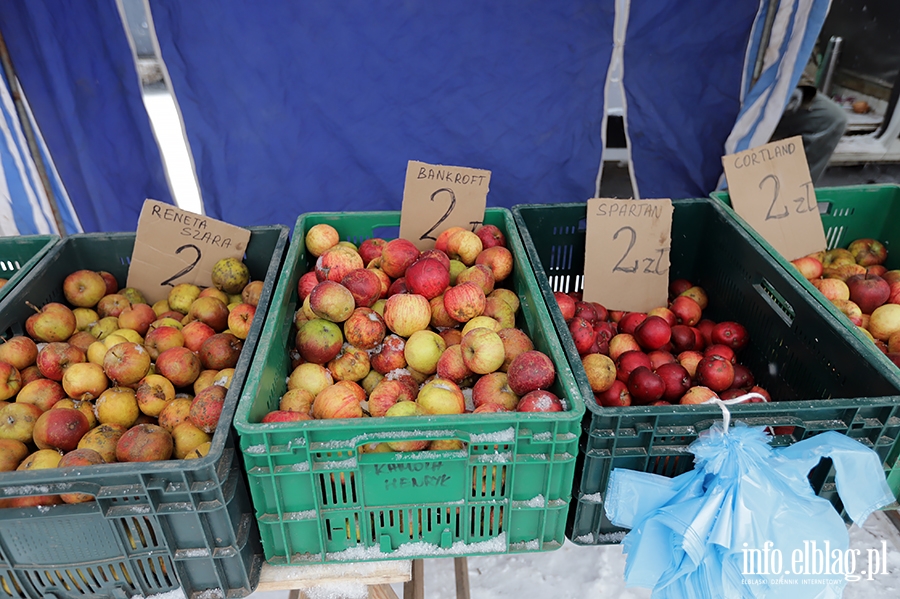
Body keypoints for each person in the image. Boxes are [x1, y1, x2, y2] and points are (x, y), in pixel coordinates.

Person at [770, 60, 848, 184]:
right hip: (735, 88)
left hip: (771, 87)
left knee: (830, 117)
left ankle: (795, 193)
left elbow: (804, 51)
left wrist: (799, 85)